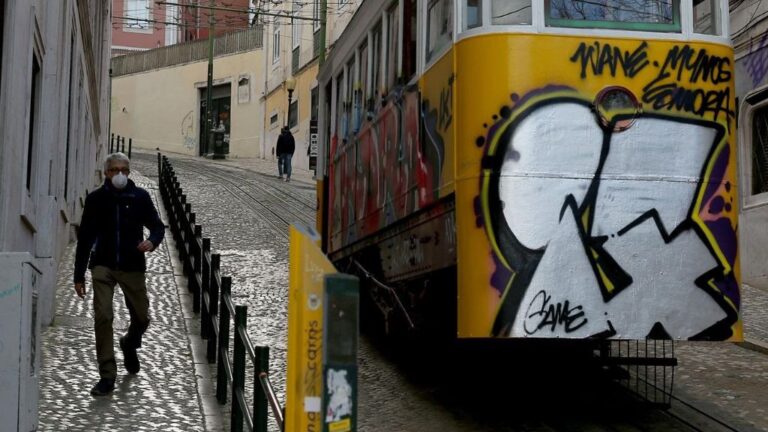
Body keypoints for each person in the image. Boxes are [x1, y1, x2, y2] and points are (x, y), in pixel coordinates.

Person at [73, 152, 165, 396]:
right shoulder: (96, 199)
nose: (120, 174)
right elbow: (85, 238)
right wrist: (79, 275)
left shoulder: (140, 197)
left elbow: (157, 226)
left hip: (133, 265)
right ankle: (107, 375)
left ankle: (129, 343)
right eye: (115, 170)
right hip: (102, 265)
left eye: (124, 170)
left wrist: (151, 242)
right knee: (103, 315)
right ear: (106, 173)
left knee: (142, 318)